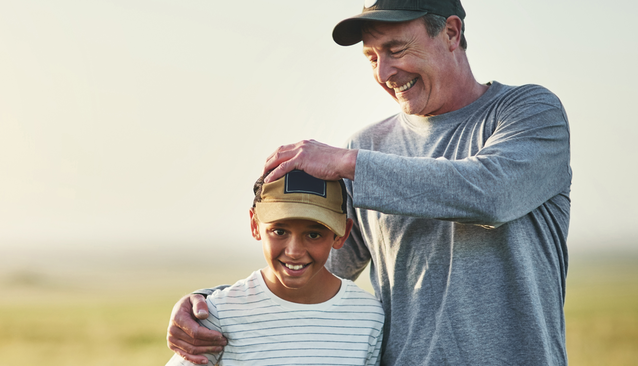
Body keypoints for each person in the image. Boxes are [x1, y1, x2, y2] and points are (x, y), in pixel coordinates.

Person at [167, 0, 572, 365]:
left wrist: (348, 162)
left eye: (396, 49)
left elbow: (491, 193)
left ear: (451, 33)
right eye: (372, 57)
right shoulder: (368, 146)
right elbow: (318, 268)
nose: (383, 72)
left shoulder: (528, 112)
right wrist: (211, 302)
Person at [166, 170, 385, 366]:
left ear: (342, 234)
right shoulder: (219, 313)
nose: (294, 251)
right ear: (255, 225)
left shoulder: (368, 317)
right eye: (279, 231)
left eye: (314, 234)